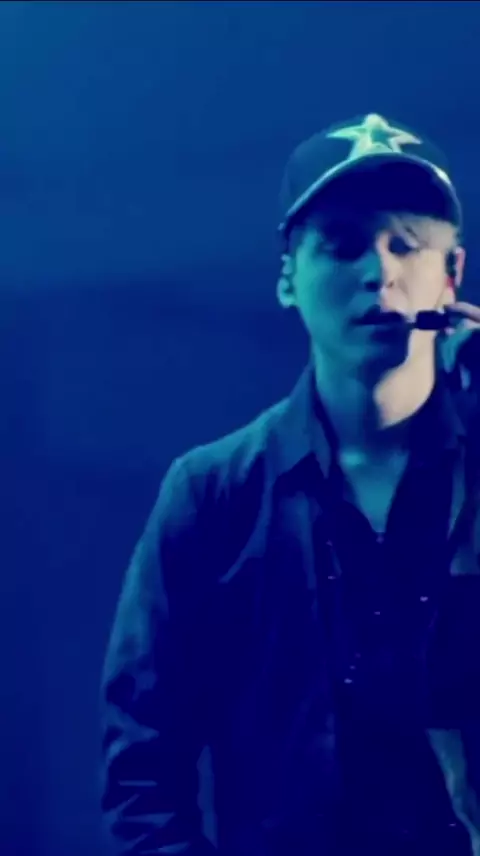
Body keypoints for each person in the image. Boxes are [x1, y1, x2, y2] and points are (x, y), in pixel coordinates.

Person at [100, 113, 480, 856]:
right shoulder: (212, 494)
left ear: (452, 274)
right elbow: (142, 768)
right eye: (342, 245)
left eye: (406, 245)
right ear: (287, 278)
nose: (379, 273)